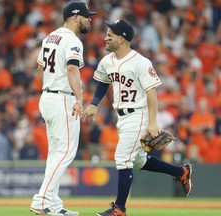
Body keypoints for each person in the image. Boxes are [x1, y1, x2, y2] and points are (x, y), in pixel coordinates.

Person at [81, 19, 193, 216]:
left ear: (122, 39)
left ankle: (119, 209)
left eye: (111, 34)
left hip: (138, 114)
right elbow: (102, 83)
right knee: (139, 161)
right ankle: (181, 172)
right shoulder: (107, 61)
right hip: (122, 117)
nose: (106, 37)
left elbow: (151, 93)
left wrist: (152, 122)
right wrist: (93, 103)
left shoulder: (141, 62)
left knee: (123, 159)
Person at [30, 2, 96, 216]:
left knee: (56, 153)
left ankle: (53, 203)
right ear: (75, 17)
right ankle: (41, 200)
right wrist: (79, 97)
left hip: (49, 96)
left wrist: (47, 92)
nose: (90, 19)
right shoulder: (72, 40)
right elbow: (71, 68)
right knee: (66, 151)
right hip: (62, 99)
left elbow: (40, 68)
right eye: (86, 16)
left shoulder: (49, 37)